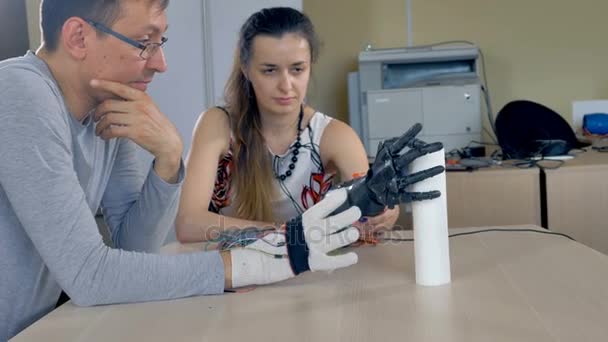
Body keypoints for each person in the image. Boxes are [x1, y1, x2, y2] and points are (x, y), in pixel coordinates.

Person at [0, 1, 363, 340]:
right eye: (145, 43)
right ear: (79, 37)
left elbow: (136, 250)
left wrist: (169, 162)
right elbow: (90, 276)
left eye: (161, 41)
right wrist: (260, 260)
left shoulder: (111, 107)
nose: (161, 63)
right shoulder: (18, 91)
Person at [176, 7, 401, 243]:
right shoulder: (217, 124)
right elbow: (188, 224)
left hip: (308, 275)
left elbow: (367, 223)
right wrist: (290, 234)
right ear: (246, 69)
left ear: (310, 65)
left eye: (297, 69)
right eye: (270, 70)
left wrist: (381, 213)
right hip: (228, 272)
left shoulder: (334, 136)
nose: (286, 85)